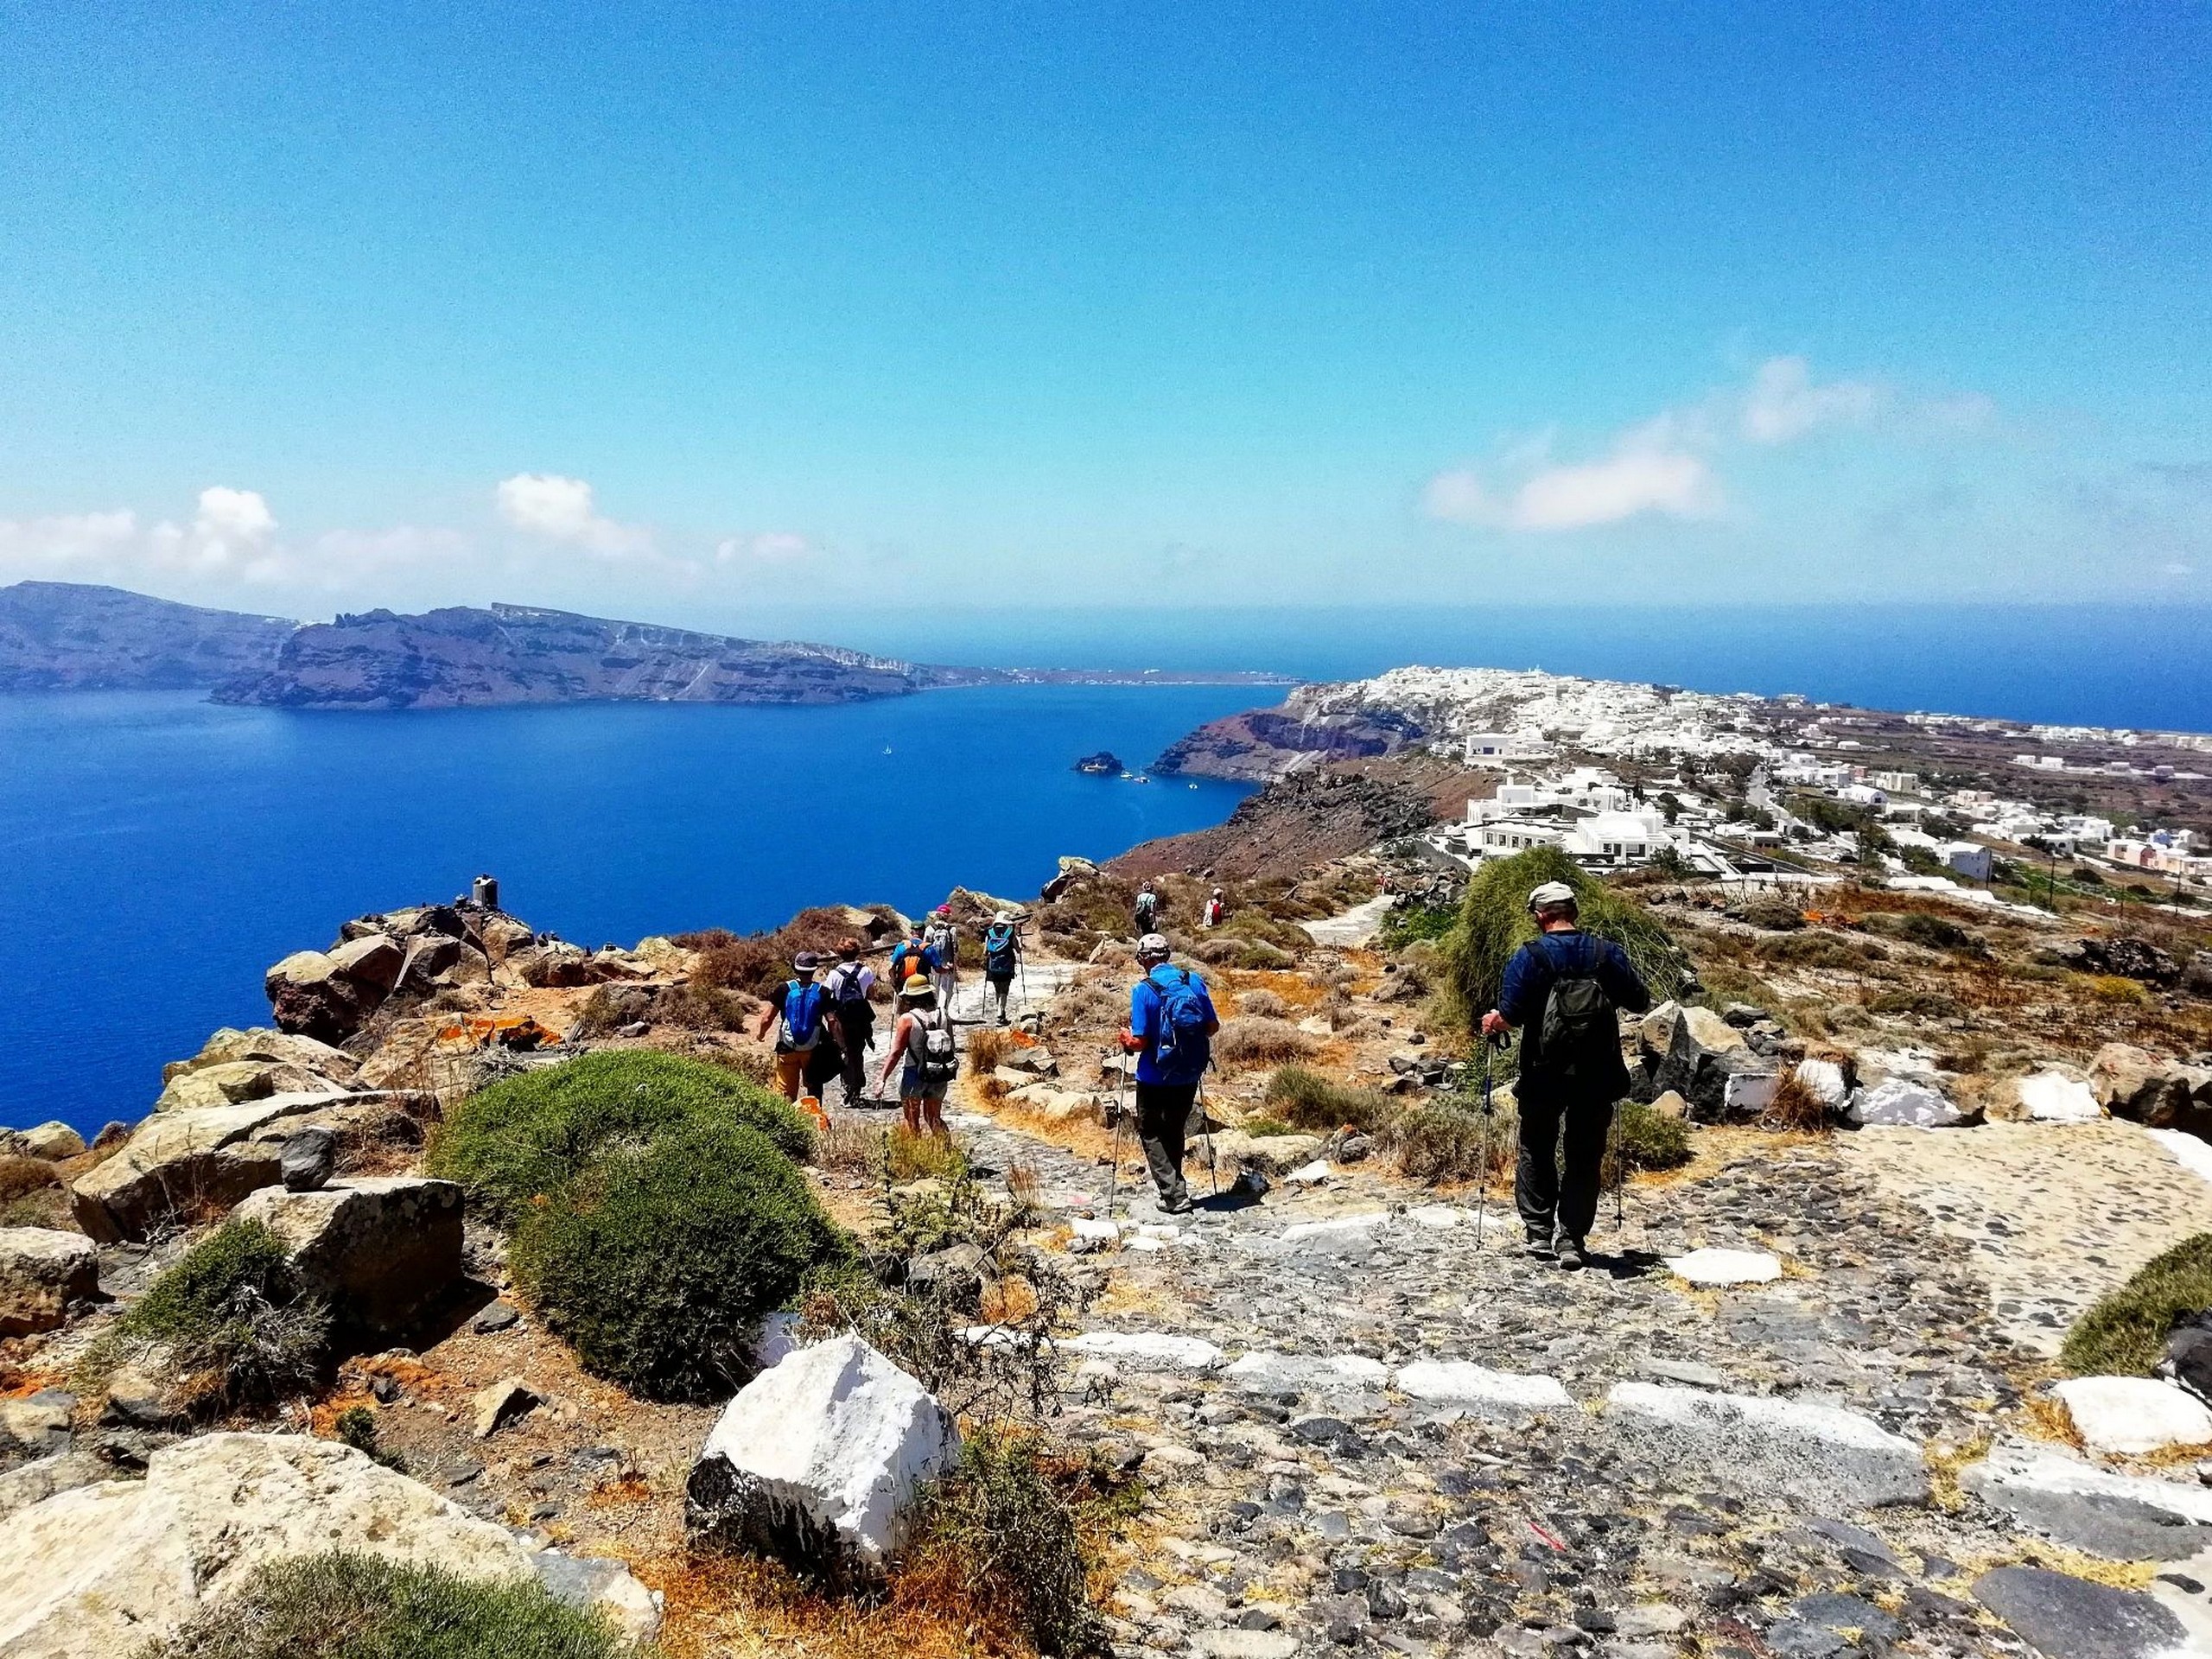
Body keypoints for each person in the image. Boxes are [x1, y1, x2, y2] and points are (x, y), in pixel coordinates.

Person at [1480, 880, 1651, 1271]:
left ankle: (1539, 1233)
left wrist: (1493, 1022)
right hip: (1597, 1071)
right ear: (1574, 912)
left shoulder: (1530, 957)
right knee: (1585, 1156)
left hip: (1544, 1071)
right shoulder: (1605, 954)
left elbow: (1512, 1015)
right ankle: (1571, 1239)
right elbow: (1640, 1000)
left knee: (1537, 1147)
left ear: (1541, 916)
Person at [1117, 934, 1219, 1215]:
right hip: (1188, 1072)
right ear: (1168, 954)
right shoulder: (1193, 980)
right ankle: (1175, 1188)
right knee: (1174, 1129)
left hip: (1154, 1075)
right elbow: (1212, 1027)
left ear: (1144, 959)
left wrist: (1125, 1039)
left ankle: (1174, 1195)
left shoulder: (1143, 990)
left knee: (1150, 1132)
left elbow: (1140, 1043)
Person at [877, 973, 957, 1136]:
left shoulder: (907, 1019)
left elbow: (896, 1053)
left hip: (913, 1074)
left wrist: (882, 1078)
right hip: (939, 1073)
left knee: (911, 1121)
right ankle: (947, 1153)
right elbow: (952, 1047)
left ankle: (916, 1158)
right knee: (934, 1118)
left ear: (909, 998)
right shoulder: (943, 1015)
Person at [754, 950, 830, 1102]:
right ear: (814, 970)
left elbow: (767, 1018)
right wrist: (838, 1042)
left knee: (786, 1089)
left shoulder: (783, 989)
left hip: (787, 1047)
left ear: (795, 969)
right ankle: (814, 1120)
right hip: (813, 1047)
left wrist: (761, 1035)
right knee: (814, 1087)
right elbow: (832, 1021)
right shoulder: (823, 992)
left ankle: (789, 1122)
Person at [820, 939, 877, 1104]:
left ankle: (848, 1086)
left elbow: (828, 997)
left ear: (839, 954)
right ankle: (857, 1087)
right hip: (861, 1019)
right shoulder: (866, 971)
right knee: (858, 1052)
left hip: (841, 1020)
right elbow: (871, 994)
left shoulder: (834, 974)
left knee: (845, 1051)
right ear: (857, 951)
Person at [982, 911, 1023, 1026]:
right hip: (1007, 964)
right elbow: (1018, 949)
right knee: (1005, 990)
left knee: (997, 989)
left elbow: (985, 952)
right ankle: (1001, 1014)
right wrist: (1019, 940)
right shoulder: (1010, 932)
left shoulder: (989, 932)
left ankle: (1000, 1012)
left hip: (993, 965)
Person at [923, 905, 959, 1013]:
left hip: (934, 963)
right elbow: (955, 947)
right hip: (947, 963)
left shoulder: (930, 929)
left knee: (935, 986)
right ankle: (943, 1010)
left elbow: (925, 945)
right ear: (948, 916)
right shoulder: (952, 929)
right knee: (946, 988)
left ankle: (936, 1010)